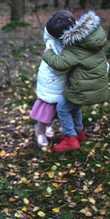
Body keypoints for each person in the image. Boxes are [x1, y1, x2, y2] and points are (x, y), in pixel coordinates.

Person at [42, 10, 109, 153]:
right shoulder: (90, 34)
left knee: (62, 108)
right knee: (74, 106)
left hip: (84, 87)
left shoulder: (74, 47)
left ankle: (70, 139)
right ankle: (80, 134)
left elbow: (60, 63)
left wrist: (47, 53)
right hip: (97, 82)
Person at [30, 10, 76, 147]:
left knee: (58, 109)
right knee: (46, 111)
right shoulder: (53, 43)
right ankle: (39, 131)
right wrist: (73, 65)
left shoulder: (68, 34)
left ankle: (50, 125)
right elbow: (56, 67)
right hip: (52, 83)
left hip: (62, 83)